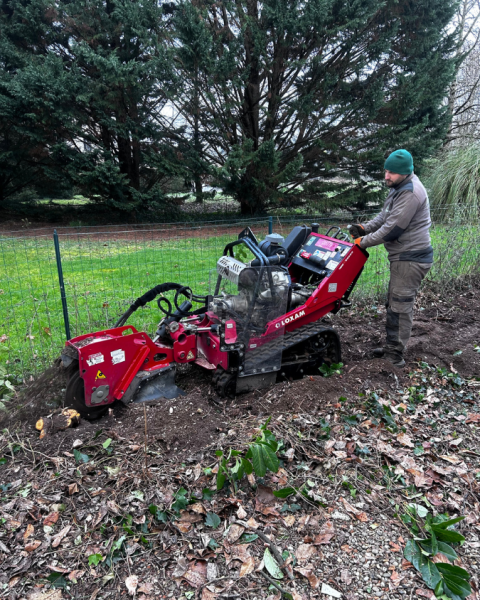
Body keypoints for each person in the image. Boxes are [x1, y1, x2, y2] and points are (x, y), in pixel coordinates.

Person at [349, 149, 433, 367]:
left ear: (405, 172)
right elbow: (385, 216)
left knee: (400, 305)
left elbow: (392, 230)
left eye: (392, 173)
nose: (386, 176)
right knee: (394, 303)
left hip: (411, 257)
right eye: (386, 171)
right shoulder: (399, 187)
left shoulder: (411, 193)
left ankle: (394, 357)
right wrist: (363, 228)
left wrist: (362, 242)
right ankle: (391, 348)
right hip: (403, 256)